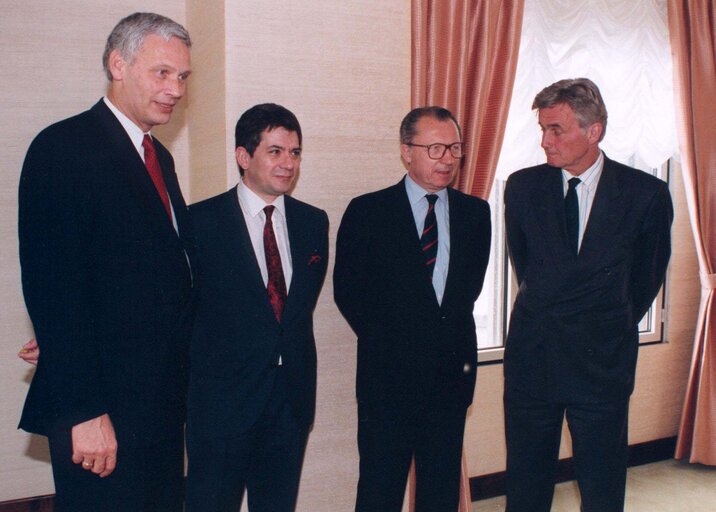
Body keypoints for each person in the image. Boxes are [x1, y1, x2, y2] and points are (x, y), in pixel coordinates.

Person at [17, 12, 194, 512]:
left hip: (157, 409)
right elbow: (55, 288)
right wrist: (85, 409)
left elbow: (153, 276)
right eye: (162, 73)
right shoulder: (64, 147)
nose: (175, 88)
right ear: (118, 64)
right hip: (101, 414)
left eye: (182, 77)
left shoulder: (159, 155)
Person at [503, 78, 673, 512]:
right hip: (532, 362)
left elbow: (645, 278)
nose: (545, 141)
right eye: (542, 129)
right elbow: (527, 268)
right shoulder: (522, 187)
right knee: (526, 485)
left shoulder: (645, 194)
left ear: (593, 130)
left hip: (602, 365)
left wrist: (604, 321)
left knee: (601, 487)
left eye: (555, 129)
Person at [334, 106, 491, 511]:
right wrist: (399, 342)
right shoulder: (368, 212)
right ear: (407, 151)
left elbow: (465, 293)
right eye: (435, 148)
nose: (448, 159)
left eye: (455, 148)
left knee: (439, 492)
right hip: (388, 380)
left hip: (450, 381)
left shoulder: (476, 214)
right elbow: (348, 293)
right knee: (379, 490)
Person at [185, 103, 329, 512]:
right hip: (221, 406)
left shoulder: (313, 222)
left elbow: (296, 313)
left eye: (295, 153)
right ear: (244, 156)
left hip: (291, 404)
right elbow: (178, 311)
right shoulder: (200, 223)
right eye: (276, 151)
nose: (288, 163)